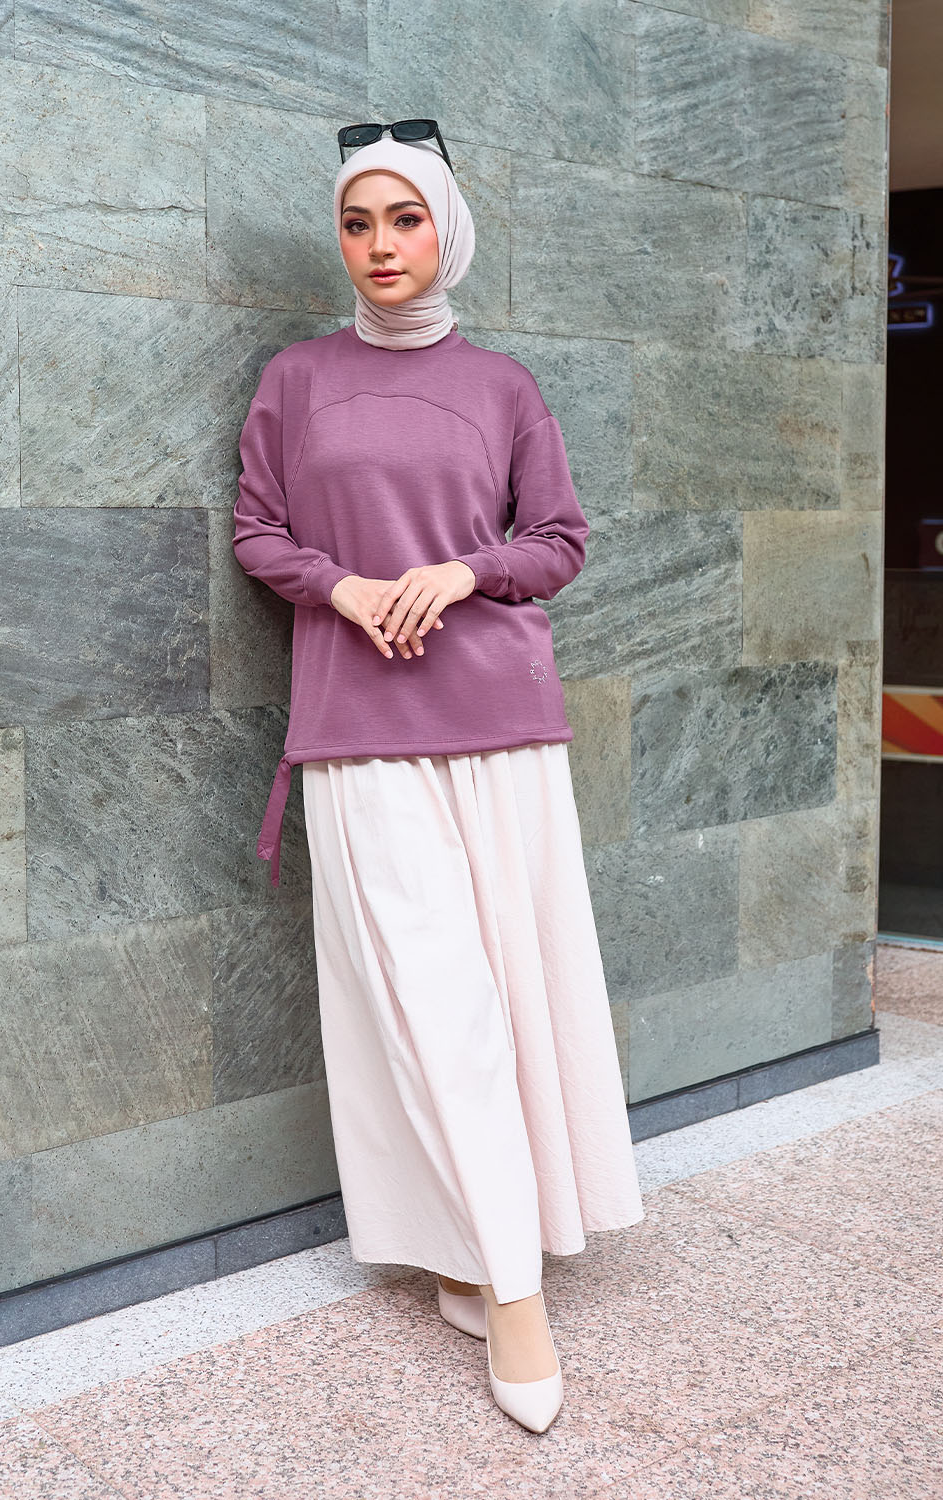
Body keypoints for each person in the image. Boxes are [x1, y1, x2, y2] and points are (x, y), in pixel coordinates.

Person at [232, 122, 645, 1435]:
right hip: (358, 723)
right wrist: (344, 588)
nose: (379, 246)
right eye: (357, 223)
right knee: (432, 1004)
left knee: (515, 994)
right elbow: (258, 532)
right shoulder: (296, 380)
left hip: (502, 719)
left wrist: (464, 571)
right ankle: (515, 1297)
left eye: (404, 219)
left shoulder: (505, 386)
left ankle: (488, 1248)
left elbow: (559, 539)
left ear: (446, 229)